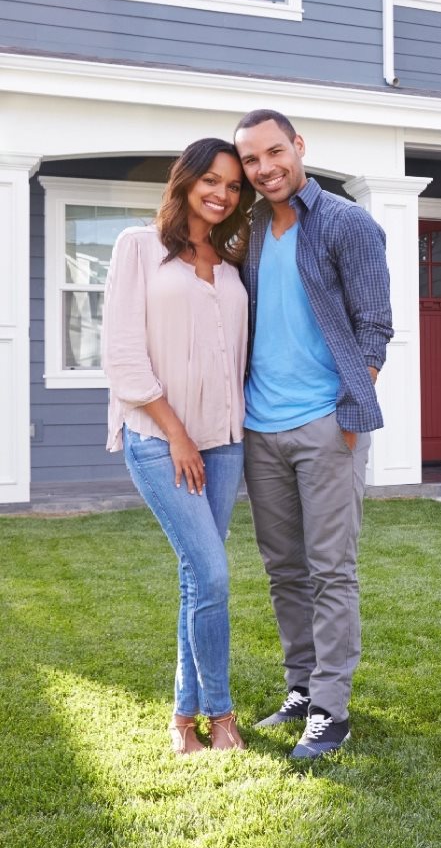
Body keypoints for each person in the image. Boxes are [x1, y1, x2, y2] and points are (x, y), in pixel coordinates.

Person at [234, 108, 392, 759]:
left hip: (326, 426)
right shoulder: (248, 232)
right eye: (251, 160)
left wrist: (348, 414)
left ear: (299, 146)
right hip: (260, 429)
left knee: (331, 569)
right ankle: (300, 687)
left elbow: (375, 327)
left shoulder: (346, 223)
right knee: (284, 570)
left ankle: (331, 707)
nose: (265, 168)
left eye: (275, 152)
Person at [102, 138, 252, 755]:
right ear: (186, 181)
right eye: (211, 181)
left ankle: (182, 721)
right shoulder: (138, 247)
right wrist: (177, 432)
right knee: (211, 572)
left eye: (234, 186)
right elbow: (122, 354)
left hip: (225, 443)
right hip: (162, 442)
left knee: (199, 580)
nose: (221, 194)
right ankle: (221, 717)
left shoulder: (234, 261)